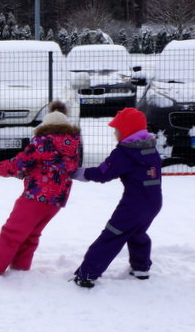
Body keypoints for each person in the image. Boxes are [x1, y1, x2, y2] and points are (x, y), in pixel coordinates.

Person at [0, 100, 82, 277]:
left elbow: (20, 162)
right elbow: (54, 166)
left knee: (12, 232)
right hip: (56, 201)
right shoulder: (72, 145)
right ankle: (20, 269)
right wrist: (30, 172)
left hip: (36, 196)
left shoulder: (44, 141)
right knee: (31, 234)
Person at [69, 107, 163, 288]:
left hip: (133, 205)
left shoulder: (125, 152)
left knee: (111, 236)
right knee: (137, 233)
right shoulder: (150, 149)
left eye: (117, 130)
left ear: (127, 130)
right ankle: (141, 268)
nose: (115, 133)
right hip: (153, 203)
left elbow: (104, 173)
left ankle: (87, 274)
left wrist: (79, 173)